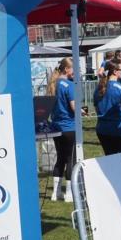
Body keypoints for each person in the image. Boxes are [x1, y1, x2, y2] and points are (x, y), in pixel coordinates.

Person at [47, 58, 76, 202]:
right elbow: (74, 107)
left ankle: (56, 193)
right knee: (70, 159)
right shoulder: (69, 85)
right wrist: (81, 111)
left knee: (60, 158)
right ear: (66, 69)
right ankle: (69, 193)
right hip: (69, 126)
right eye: (73, 68)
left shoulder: (53, 83)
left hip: (56, 126)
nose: (76, 72)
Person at [94, 60, 121, 155]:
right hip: (119, 130)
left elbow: (96, 109)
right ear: (115, 71)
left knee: (109, 159)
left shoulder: (98, 88)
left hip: (102, 130)